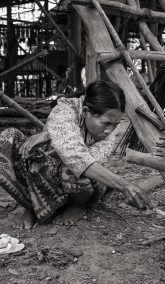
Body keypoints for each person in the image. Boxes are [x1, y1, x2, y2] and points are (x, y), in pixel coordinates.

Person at [0, 80, 152, 229]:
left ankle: (79, 205)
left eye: (116, 124)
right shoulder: (65, 110)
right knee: (8, 137)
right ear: (86, 112)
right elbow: (71, 152)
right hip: (45, 172)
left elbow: (81, 161)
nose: (110, 130)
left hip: (82, 185)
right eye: (106, 123)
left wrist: (50, 135)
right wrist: (124, 185)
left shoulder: (110, 128)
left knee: (74, 169)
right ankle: (30, 203)